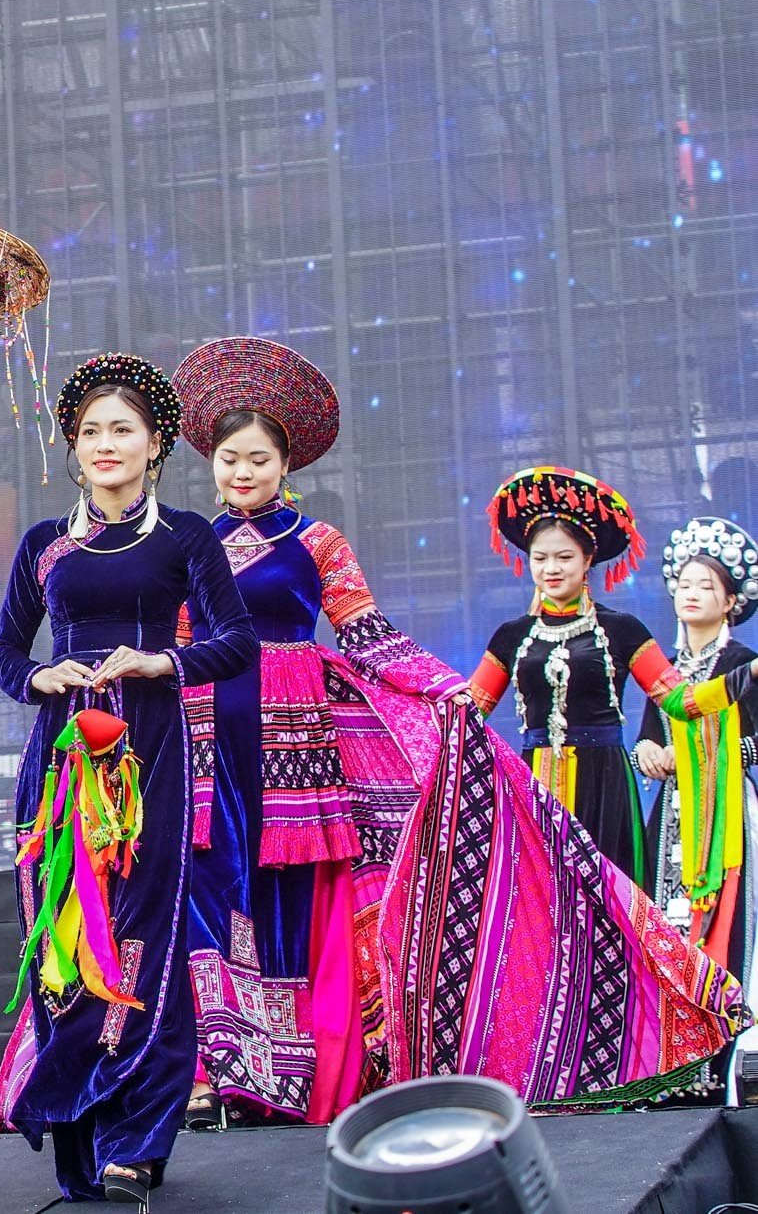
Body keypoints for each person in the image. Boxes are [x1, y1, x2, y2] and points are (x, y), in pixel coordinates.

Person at [166, 338, 468, 1126]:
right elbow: (174, 634)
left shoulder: (318, 541)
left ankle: (296, 1068)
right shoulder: (188, 543)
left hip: (294, 735)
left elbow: (364, 629)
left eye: (258, 459)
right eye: (230, 458)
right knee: (208, 886)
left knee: (288, 894)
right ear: (210, 459)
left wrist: (441, 684)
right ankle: (220, 1067)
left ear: (284, 461)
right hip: (205, 728)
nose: (242, 473)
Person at [0, 352, 257, 1205]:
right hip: (61, 761)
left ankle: (139, 1135)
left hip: (150, 755)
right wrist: (41, 677)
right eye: (91, 432)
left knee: (145, 934)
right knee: (62, 935)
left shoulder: (187, 536)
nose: (106, 444)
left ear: (154, 445)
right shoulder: (43, 543)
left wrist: (161, 660)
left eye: (123, 430)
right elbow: (3, 651)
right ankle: (83, 1129)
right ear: (74, 447)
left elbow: (237, 641)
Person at [470, 467, 753, 886]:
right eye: (540, 558)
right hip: (534, 787)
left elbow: (680, 702)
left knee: (610, 906)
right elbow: (468, 711)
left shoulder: (623, 630)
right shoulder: (512, 637)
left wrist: (751, 673)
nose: (551, 568)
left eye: (564, 557)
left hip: (606, 786)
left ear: (588, 561)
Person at [638, 518, 758, 973]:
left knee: (727, 919)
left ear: (729, 601)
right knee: (664, 921)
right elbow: (648, 735)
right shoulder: (663, 669)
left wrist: (716, 755)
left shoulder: (742, 663)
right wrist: (645, 753)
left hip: (726, 809)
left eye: (705, 587)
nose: (690, 593)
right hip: (672, 810)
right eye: (684, 584)